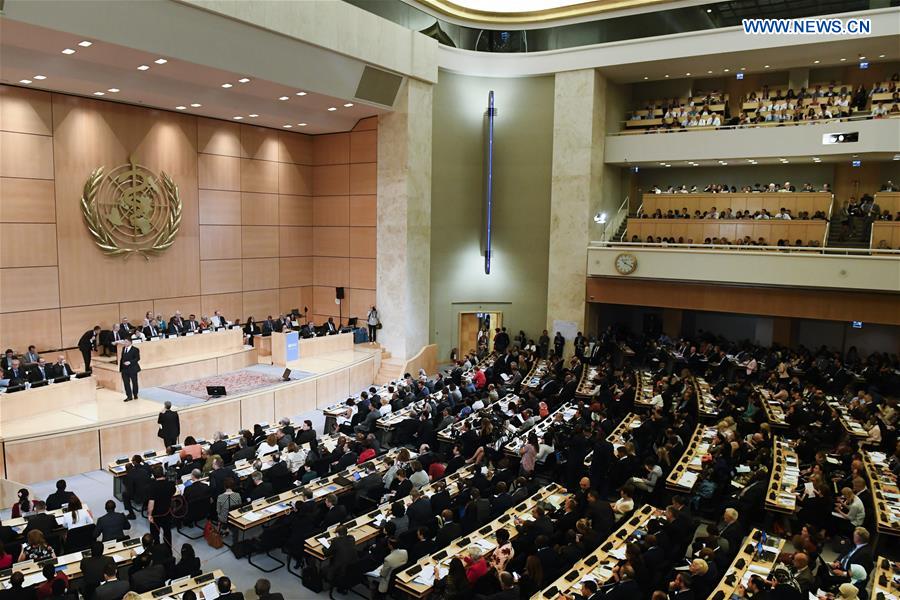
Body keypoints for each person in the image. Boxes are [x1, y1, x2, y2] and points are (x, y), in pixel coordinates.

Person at [146, 464, 175, 547]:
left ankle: (157, 550)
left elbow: (151, 503)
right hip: (167, 512)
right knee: (167, 532)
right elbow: (172, 493)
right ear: (163, 473)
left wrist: (149, 515)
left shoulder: (152, 486)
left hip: (156, 515)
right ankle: (169, 551)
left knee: (155, 534)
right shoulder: (170, 484)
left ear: (154, 475)